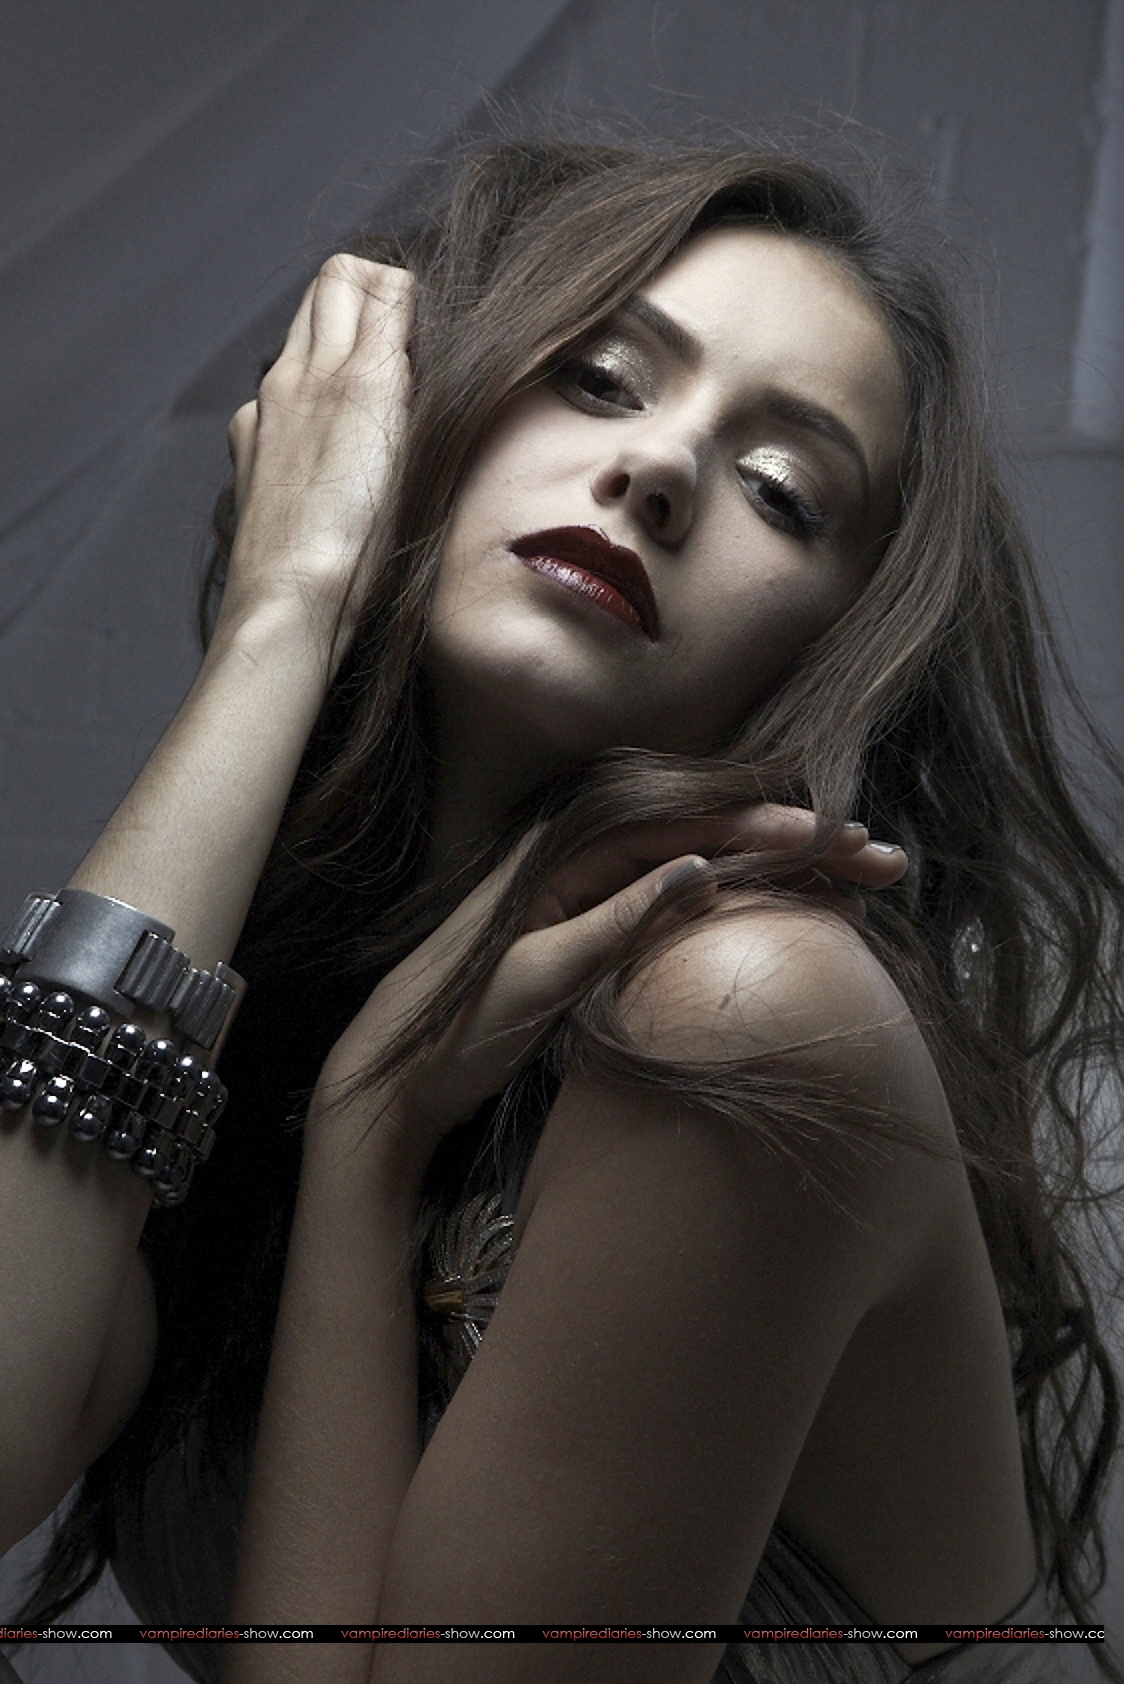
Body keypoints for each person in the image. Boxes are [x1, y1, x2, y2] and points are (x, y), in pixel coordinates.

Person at [0, 139, 1120, 1684]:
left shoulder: (745, 1015)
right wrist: (285, 612)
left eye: (783, 491)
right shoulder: (267, 1016)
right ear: (414, 416)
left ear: (829, 649)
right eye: (600, 380)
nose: (661, 469)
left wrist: (368, 1152)